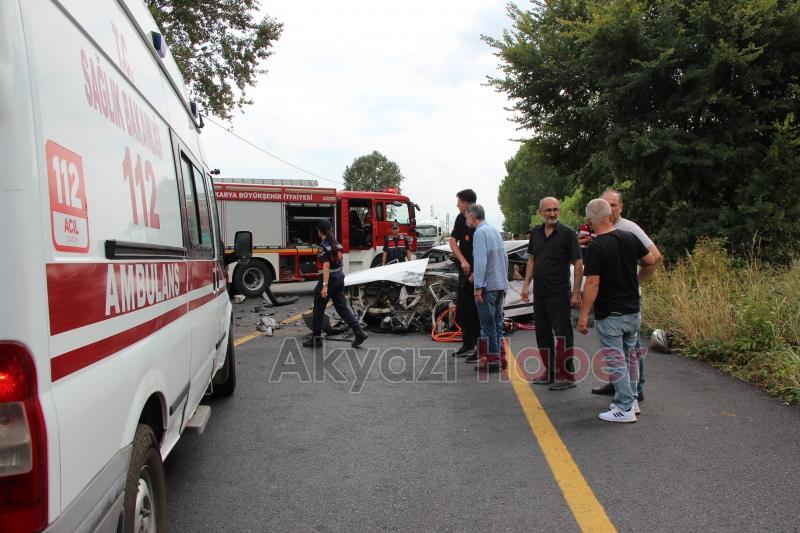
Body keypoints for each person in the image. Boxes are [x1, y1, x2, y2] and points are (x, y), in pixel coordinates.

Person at [577, 199, 656, 422]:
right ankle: (630, 400)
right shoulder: (629, 238)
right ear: (610, 216)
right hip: (632, 309)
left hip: (610, 312)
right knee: (631, 356)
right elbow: (650, 260)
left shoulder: (596, 247)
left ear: (590, 220)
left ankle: (624, 407)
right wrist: (636, 281)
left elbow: (592, 283)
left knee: (616, 359)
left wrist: (584, 315)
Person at [591, 190, 662, 400]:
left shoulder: (628, 228)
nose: (609, 209)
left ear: (621, 207)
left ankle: (636, 389)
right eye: (605, 204)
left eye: (613, 205)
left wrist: (635, 282)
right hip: (614, 298)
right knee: (619, 348)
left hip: (627, 298)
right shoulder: (605, 228)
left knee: (632, 347)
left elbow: (654, 256)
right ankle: (618, 385)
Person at [520, 197, 583, 390]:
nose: (553, 213)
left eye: (555, 210)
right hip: (540, 293)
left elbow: (578, 264)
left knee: (563, 335)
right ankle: (550, 372)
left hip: (559, 294)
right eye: (548, 210)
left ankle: (566, 375)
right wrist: (525, 285)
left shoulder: (567, 234)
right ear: (541, 212)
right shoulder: (536, 234)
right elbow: (532, 260)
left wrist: (575, 293)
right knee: (543, 334)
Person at [303, 220, 368, 349]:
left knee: (318, 308)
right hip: (339, 278)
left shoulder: (323, 246)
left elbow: (326, 266)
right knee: (342, 308)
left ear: (320, 231)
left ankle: (316, 339)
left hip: (329, 279)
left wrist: (325, 286)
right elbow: (341, 263)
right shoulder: (337, 244)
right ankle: (359, 331)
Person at [466, 204, 509, 371]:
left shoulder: (479, 233)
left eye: (467, 217)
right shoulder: (494, 231)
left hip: (488, 286)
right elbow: (503, 258)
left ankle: (491, 361)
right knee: (497, 323)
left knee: (487, 325)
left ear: (473, 216)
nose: (467, 221)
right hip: (499, 284)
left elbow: (481, 261)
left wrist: (478, 287)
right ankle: (501, 357)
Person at [449, 189, 481, 362]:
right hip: (465, 269)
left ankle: (479, 347)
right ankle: (468, 343)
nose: (457, 205)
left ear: (467, 203)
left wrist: (476, 272)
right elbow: (453, 240)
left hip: (476, 273)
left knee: (476, 312)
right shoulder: (460, 218)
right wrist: (463, 260)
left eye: (459, 202)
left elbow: (483, 253)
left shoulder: (478, 221)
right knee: (463, 310)